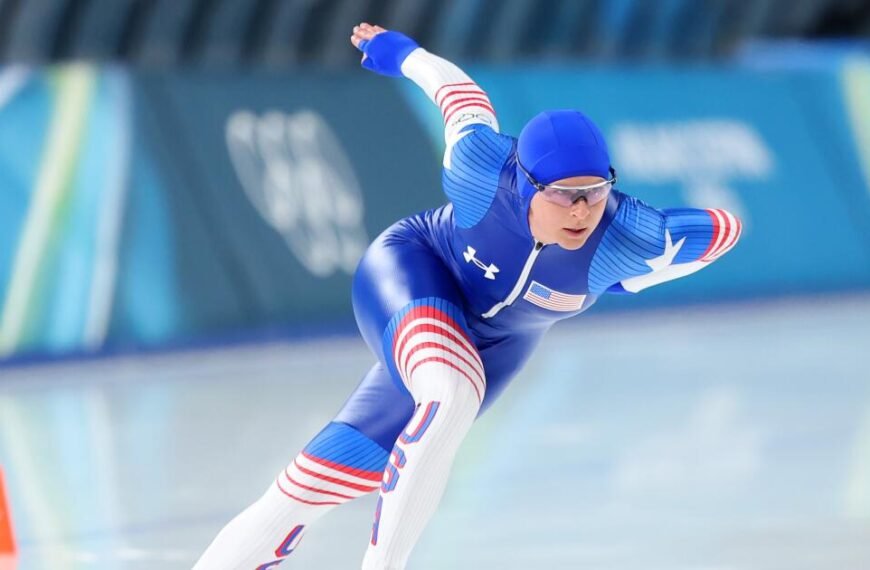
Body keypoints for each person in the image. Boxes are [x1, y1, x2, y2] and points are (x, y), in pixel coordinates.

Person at [193, 22, 742, 570]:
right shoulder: (481, 166)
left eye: (595, 192)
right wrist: (402, 53)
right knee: (451, 394)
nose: (582, 210)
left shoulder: (627, 237)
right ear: (526, 183)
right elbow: (457, 94)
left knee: (310, 485)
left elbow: (724, 229)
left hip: (498, 345)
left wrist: (639, 274)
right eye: (565, 195)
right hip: (415, 271)